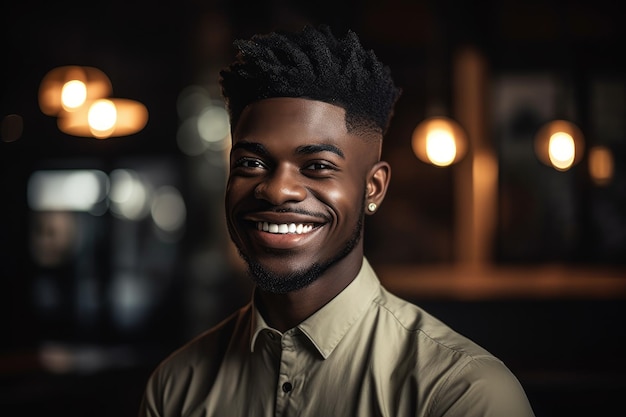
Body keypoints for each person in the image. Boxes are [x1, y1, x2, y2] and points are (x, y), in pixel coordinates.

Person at [138, 24, 536, 417]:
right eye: (251, 163)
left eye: (317, 166)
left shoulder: (460, 394)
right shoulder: (176, 387)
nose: (277, 190)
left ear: (374, 188)